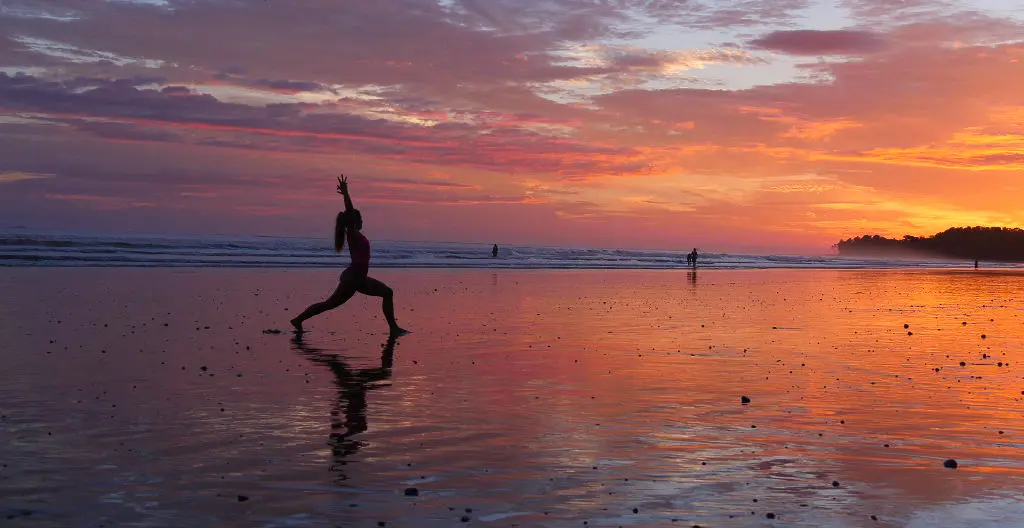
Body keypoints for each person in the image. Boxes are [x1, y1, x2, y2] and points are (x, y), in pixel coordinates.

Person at [291, 175, 406, 335]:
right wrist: (346, 193)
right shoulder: (352, 233)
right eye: (360, 219)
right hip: (354, 278)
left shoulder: (355, 236)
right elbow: (350, 212)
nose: (362, 221)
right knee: (385, 293)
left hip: (358, 278)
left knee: (330, 304)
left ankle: (298, 320)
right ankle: (394, 329)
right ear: (354, 221)